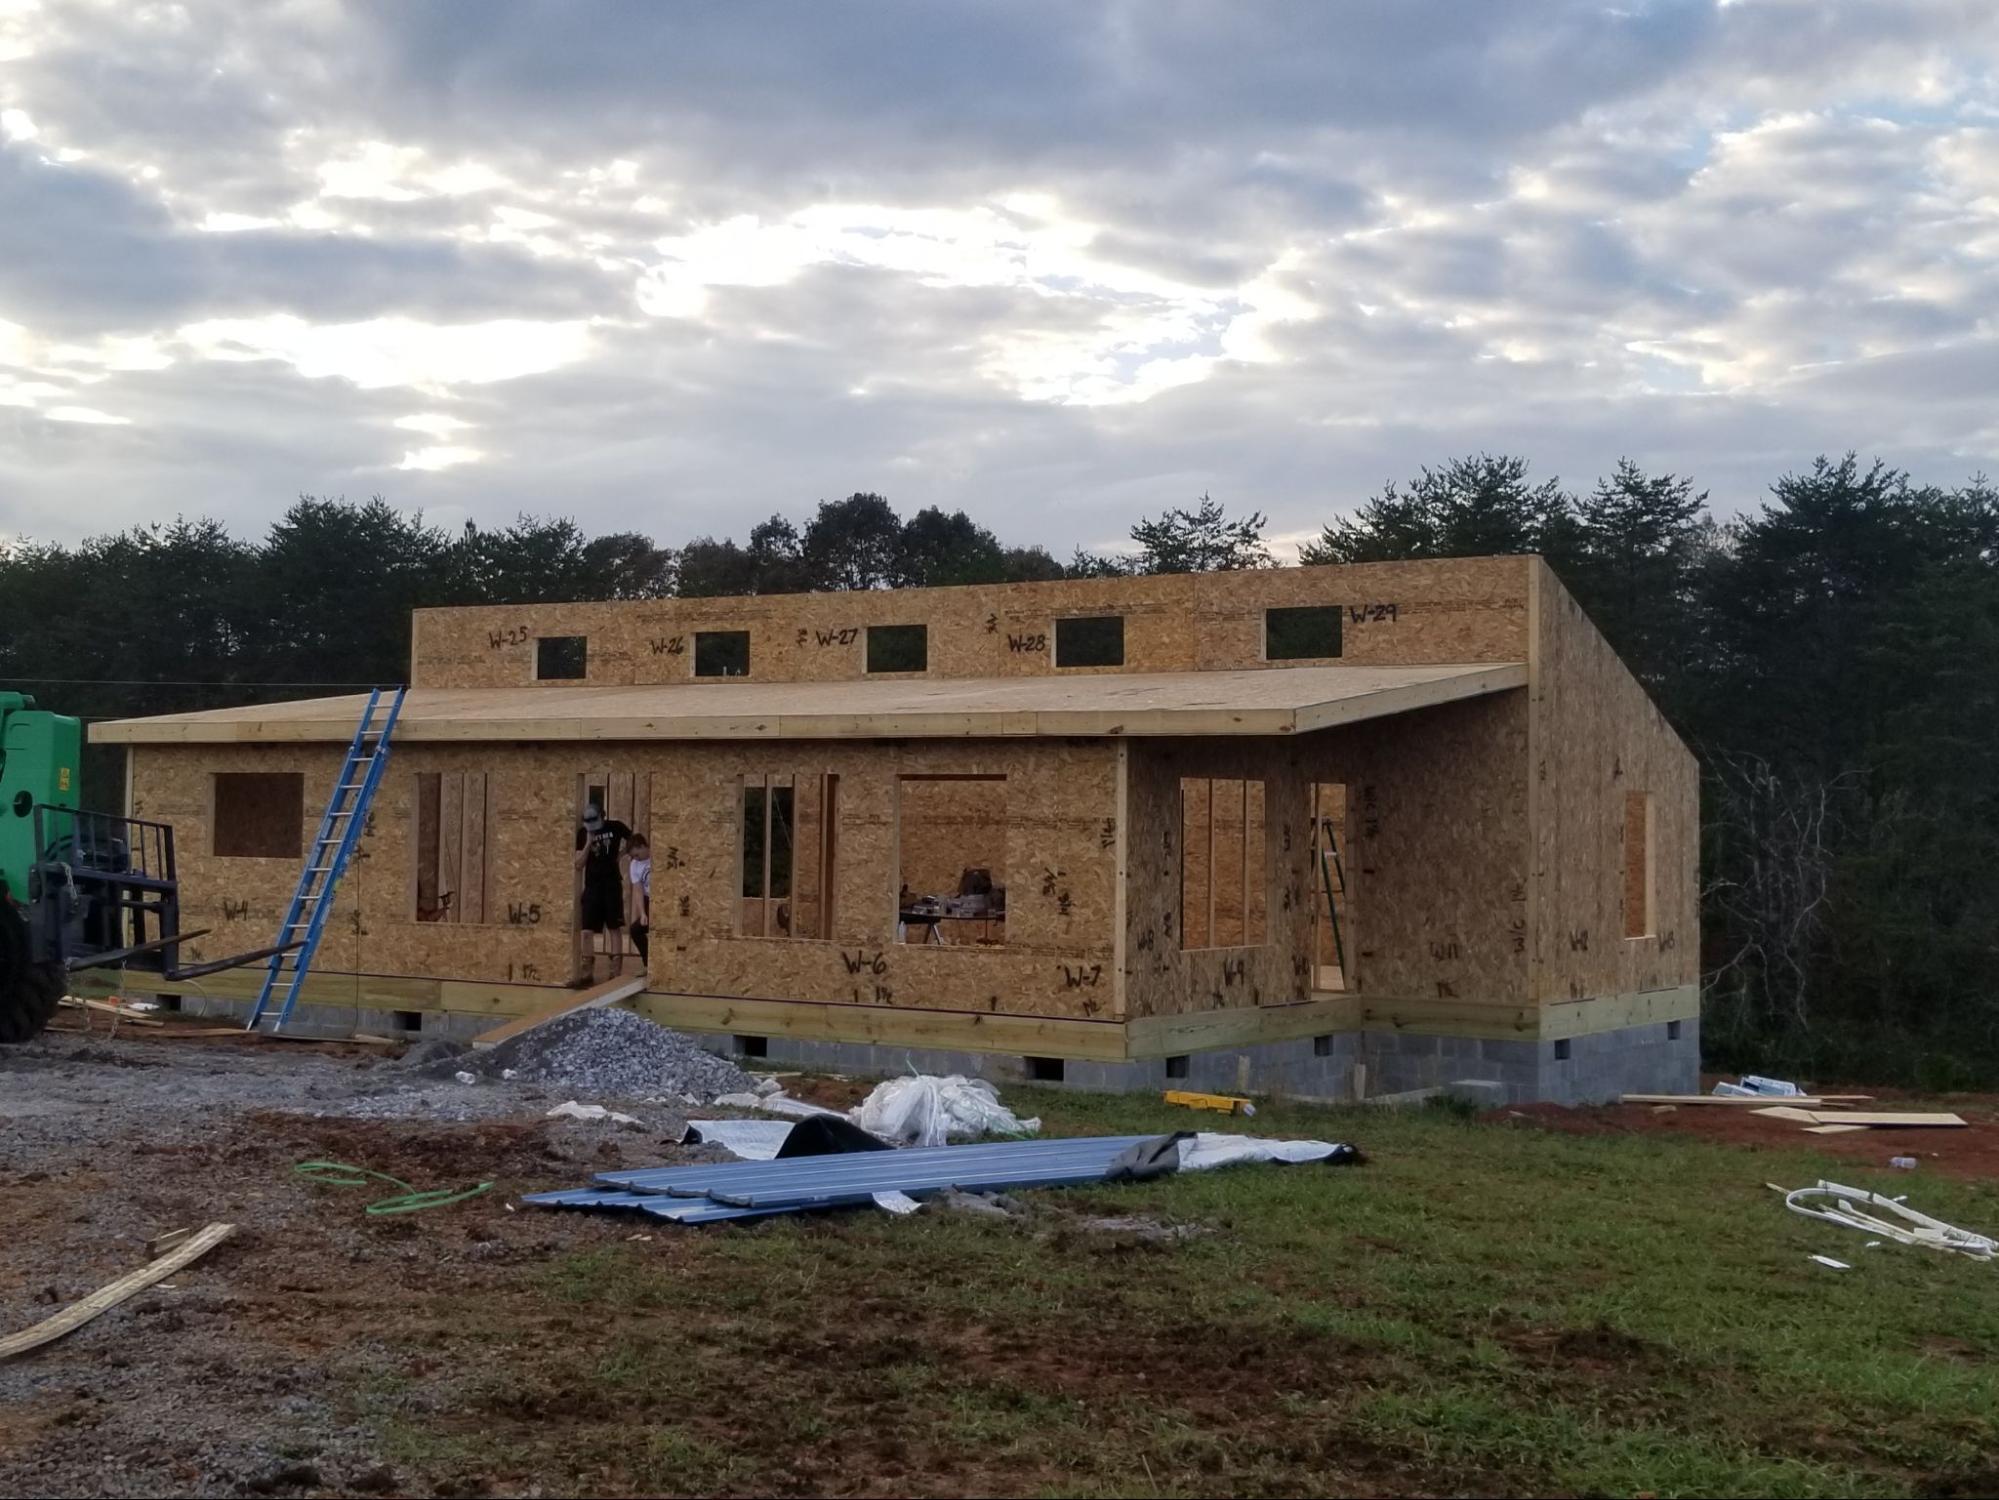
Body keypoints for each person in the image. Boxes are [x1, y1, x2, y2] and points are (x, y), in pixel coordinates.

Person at [572, 802, 632, 985]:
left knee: (614, 927)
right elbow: (578, 864)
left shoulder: (615, 827)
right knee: (587, 930)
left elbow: (633, 840)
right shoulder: (583, 834)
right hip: (592, 886)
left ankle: (615, 971)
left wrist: (621, 854)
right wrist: (589, 843)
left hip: (612, 884)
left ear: (602, 816)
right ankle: (587, 971)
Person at [626, 833, 652, 969]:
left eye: (637, 855)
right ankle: (648, 964)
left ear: (643, 847)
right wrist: (642, 913)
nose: (636, 858)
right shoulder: (634, 865)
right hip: (648, 899)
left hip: (665, 900)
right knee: (635, 930)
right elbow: (638, 890)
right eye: (633, 856)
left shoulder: (656, 855)